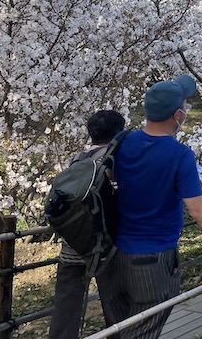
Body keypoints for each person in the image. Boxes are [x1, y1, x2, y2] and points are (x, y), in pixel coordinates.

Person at [97, 75, 202, 339]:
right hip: (152, 261)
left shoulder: (121, 141)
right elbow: (198, 211)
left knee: (117, 332)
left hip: (111, 258)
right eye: (185, 106)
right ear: (178, 115)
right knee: (143, 333)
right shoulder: (179, 155)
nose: (187, 110)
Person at [48, 110, 125, 339]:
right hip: (103, 247)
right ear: (118, 133)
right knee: (115, 305)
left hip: (72, 245)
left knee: (65, 307)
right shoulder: (113, 160)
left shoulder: (77, 160)